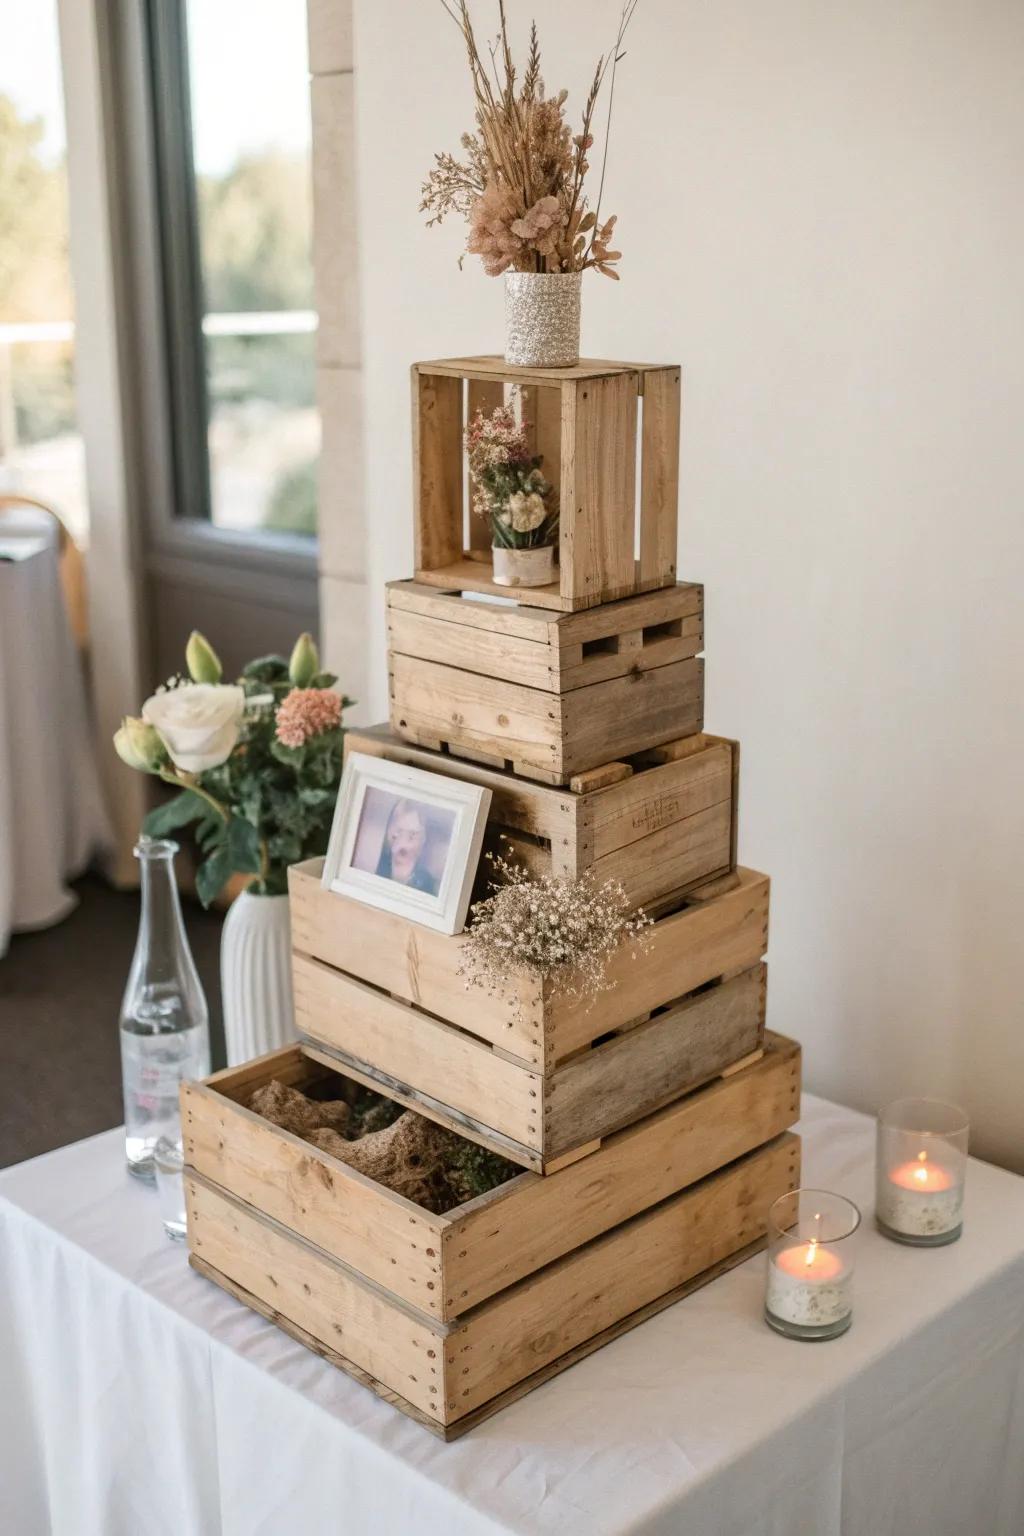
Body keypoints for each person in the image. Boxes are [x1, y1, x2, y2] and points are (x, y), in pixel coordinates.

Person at [375, 799, 440, 895]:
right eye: (399, 831)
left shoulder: (429, 885)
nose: (403, 842)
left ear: (423, 839)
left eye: (412, 834)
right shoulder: (376, 867)